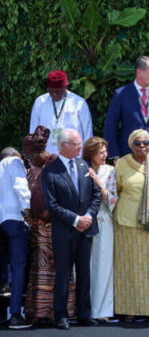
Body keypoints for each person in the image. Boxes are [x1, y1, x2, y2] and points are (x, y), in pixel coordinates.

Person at [42, 129, 102, 329]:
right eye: (76, 143)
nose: (80, 147)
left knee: (84, 273)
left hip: (86, 230)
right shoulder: (50, 171)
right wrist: (75, 219)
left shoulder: (84, 165)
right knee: (64, 274)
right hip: (64, 232)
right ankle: (61, 316)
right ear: (63, 146)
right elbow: (52, 204)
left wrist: (89, 216)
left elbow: (96, 195)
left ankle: (84, 314)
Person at [113, 129, 149, 322]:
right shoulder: (121, 164)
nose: (142, 146)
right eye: (138, 143)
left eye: (146, 142)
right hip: (126, 225)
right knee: (129, 269)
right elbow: (115, 192)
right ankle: (130, 310)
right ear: (131, 145)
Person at [22, 127, 77, 325]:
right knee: (38, 270)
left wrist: (49, 212)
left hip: (54, 226)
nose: (29, 160)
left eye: (31, 156)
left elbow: (65, 193)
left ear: (41, 153)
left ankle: (58, 310)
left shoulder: (55, 164)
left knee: (55, 269)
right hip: (36, 227)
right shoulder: (32, 169)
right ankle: (39, 310)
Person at [104, 56, 149, 158]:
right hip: (129, 154)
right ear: (139, 72)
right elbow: (110, 126)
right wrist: (115, 155)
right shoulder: (121, 94)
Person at [83, 137, 118, 321]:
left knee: (103, 266)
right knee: (83, 266)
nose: (105, 155)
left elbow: (111, 198)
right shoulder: (81, 168)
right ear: (91, 154)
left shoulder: (110, 170)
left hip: (104, 221)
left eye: (105, 152)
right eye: (101, 153)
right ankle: (84, 309)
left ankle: (102, 311)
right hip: (83, 222)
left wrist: (98, 181)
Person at [0, 147, 32, 330]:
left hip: (1, 221)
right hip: (14, 219)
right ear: (14, 155)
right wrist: (27, 211)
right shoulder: (14, 162)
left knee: (4, 266)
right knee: (18, 266)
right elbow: (21, 187)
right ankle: (15, 315)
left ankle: (3, 313)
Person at [29, 70, 93, 156]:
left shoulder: (79, 103)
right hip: (48, 158)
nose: (54, 95)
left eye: (58, 91)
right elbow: (33, 133)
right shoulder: (40, 102)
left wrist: (86, 159)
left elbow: (88, 134)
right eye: (51, 91)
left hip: (74, 158)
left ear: (65, 87)